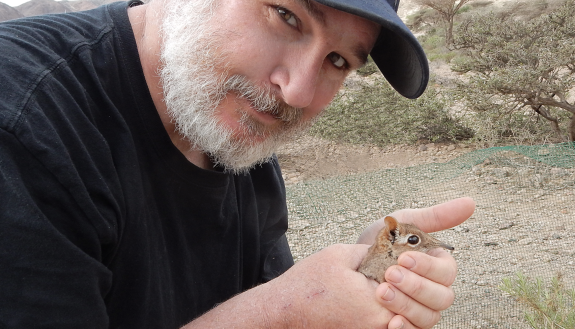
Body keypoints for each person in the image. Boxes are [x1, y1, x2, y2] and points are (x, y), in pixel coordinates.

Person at [0, 0, 475, 328]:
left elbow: (261, 296)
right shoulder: (25, 119)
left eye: (337, 60)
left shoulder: (232, 137)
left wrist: (363, 276)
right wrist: (285, 315)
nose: (297, 92)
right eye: (286, 16)